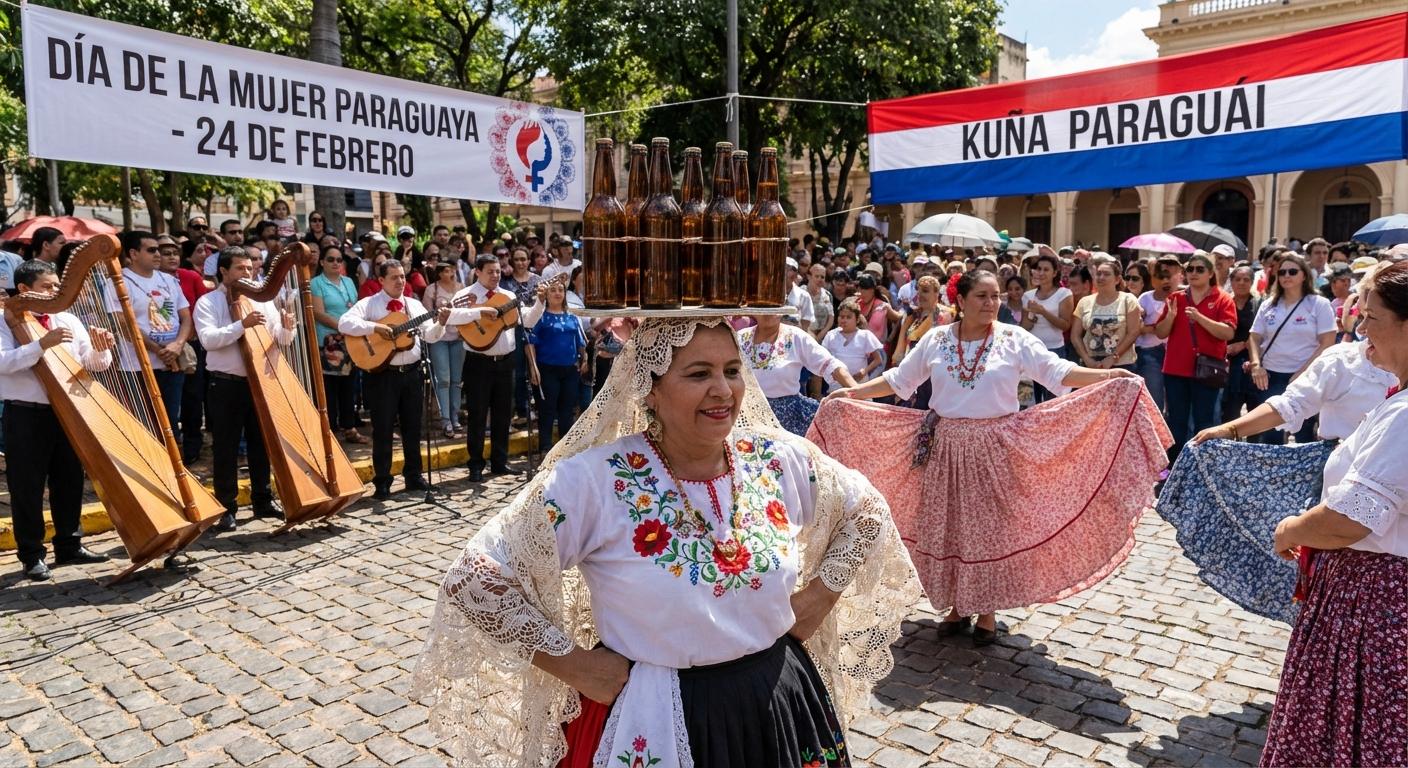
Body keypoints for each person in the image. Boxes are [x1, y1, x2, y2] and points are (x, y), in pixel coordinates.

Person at [411, 316, 920, 767]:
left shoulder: (779, 459)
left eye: (731, 371)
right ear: (649, 387)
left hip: (776, 702)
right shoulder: (595, 480)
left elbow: (867, 509)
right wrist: (577, 666)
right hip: (655, 713)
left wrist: (820, 595)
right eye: (698, 374)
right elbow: (475, 577)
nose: (722, 390)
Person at [814, 270, 1170, 645]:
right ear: (961, 301)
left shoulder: (1013, 339)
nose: (991, 303)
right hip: (946, 445)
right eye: (982, 296)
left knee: (989, 530)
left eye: (995, 296)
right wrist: (854, 396)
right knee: (951, 526)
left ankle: (987, 610)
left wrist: (1106, 376)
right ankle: (956, 606)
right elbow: (900, 380)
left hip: (996, 447)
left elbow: (1056, 371)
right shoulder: (936, 340)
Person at [1259, 260, 1408, 766]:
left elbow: (1351, 519)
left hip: (1374, 598)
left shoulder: (1407, 414)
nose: (1361, 329)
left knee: (1350, 728)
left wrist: (1291, 529)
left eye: (1372, 318)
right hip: (1371, 592)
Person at [1, 260, 114, 581]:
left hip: (67, 412)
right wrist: (40, 345)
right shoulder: (3, 320)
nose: (54, 293)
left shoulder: (67, 319)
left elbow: (90, 364)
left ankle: (69, 543)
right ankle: (32, 554)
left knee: (69, 479)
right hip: (25, 413)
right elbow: (3, 363)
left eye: (56, 287)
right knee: (27, 486)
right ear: (24, 290)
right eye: (47, 287)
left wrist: (103, 351)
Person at [194, 248, 295, 531]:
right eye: (240, 269)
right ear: (224, 272)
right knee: (225, 447)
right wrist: (241, 325)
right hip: (225, 383)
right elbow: (208, 340)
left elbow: (280, 338)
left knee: (260, 444)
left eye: (250, 269)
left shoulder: (261, 300)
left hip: (259, 382)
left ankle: (262, 498)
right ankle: (226, 507)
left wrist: (288, 328)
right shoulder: (207, 302)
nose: (247, 274)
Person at [339, 261, 449, 499]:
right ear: (381, 281)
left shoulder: (415, 305)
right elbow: (344, 323)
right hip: (382, 376)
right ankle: (382, 481)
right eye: (394, 277)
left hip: (412, 373)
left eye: (402, 276)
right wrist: (375, 328)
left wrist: (441, 322)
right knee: (383, 429)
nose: (400, 281)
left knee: (413, 427)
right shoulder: (369, 304)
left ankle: (414, 475)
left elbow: (430, 335)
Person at [1153, 251, 1236, 462]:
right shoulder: (1175, 298)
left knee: (1205, 422)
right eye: (1189, 269)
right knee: (1176, 422)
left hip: (1207, 371)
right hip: (1175, 370)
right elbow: (1161, 333)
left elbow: (1227, 333)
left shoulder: (1223, 299)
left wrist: (1200, 318)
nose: (1193, 273)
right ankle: (1176, 467)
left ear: (1210, 273)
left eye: (1199, 269)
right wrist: (1170, 317)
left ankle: (1204, 467)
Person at [1246, 252, 1337, 444]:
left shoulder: (1318, 304)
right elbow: (1254, 337)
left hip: (1306, 377)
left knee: (1303, 433)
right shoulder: (1269, 305)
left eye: (1292, 271)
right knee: (1270, 433)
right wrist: (1256, 365)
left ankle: (1304, 474)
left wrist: (1303, 372)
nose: (1286, 276)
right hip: (1270, 376)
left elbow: (1327, 342)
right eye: (1282, 272)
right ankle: (1273, 473)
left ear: (1304, 275)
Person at [447, 255, 519, 482]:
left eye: (498, 271)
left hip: (505, 361)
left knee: (503, 414)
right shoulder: (466, 295)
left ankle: (500, 461)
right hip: (478, 362)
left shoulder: (508, 296)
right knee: (477, 414)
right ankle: (475, 465)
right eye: (490, 271)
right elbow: (452, 317)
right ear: (477, 271)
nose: (495, 276)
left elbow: (526, 319)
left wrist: (539, 302)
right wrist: (480, 312)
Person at [118, 230, 192, 437]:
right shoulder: (118, 282)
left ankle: (173, 467)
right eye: (151, 250)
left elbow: (185, 317)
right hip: (138, 366)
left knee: (170, 423)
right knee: (144, 427)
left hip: (173, 362)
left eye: (158, 250)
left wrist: (177, 345)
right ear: (133, 253)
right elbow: (124, 325)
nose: (158, 255)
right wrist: (159, 350)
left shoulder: (168, 280)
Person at [738, 313, 856, 436]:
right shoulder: (740, 337)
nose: (768, 312)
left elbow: (831, 365)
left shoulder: (796, 337)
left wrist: (857, 391)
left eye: (774, 307)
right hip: (747, 417)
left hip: (788, 419)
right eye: (763, 308)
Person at [309, 245, 367, 444]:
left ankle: (350, 427)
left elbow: (356, 307)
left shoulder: (349, 281)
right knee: (330, 388)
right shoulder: (316, 283)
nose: (335, 263)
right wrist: (343, 326)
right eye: (331, 259)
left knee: (349, 385)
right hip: (329, 342)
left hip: (349, 340)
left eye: (339, 260)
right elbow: (318, 313)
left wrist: (352, 327)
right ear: (322, 262)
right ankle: (330, 430)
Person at [523, 280, 585, 451]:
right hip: (547, 369)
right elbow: (530, 343)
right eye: (553, 290)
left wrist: (584, 359)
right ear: (546, 294)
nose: (557, 293)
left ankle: (565, 449)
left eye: (560, 290)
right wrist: (533, 368)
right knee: (547, 410)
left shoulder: (572, 316)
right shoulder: (539, 317)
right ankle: (546, 447)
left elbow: (580, 341)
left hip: (570, 370)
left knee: (567, 410)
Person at [1020, 253, 1073, 402]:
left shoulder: (1064, 294)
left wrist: (1043, 312)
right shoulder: (1028, 296)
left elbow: (1065, 325)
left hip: (1054, 349)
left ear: (1055, 273)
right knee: (1033, 398)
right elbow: (1024, 327)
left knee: (1054, 398)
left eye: (1046, 269)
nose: (1041, 273)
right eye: (1039, 269)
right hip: (1032, 351)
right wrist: (1031, 314)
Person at [1071, 260, 1141, 372]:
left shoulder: (1128, 300)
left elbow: (1134, 332)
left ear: (1117, 279)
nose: (1101, 277)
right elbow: (1075, 335)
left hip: (1122, 366)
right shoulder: (1084, 302)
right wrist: (1086, 359)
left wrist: (1113, 358)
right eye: (1098, 274)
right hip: (1091, 366)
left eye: (1107, 274)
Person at [422, 263, 466, 439]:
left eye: (452, 270)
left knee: (456, 380)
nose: (451, 273)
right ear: (439, 274)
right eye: (446, 270)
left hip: (459, 337)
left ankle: (455, 417)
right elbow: (426, 314)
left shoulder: (462, 288)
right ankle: (445, 419)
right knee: (444, 379)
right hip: (439, 338)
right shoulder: (431, 290)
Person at [822, 300, 883, 383]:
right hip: (836, 384)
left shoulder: (865, 335)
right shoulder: (831, 335)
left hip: (859, 384)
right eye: (842, 317)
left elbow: (878, 359)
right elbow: (824, 359)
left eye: (848, 317)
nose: (844, 320)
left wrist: (864, 371)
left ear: (857, 319)